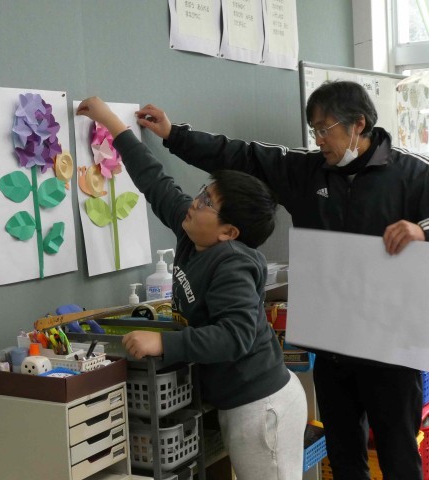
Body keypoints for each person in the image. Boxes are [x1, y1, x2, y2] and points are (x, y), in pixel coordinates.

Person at [132, 80, 429, 480]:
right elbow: (242, 156)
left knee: (399, 459)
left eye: (324, 129)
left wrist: (421, 230)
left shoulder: (411, 172)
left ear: (358, 124)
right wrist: (173, 135)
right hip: (334, 346)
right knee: (344, 460)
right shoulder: (308, 170)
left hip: (389, 350)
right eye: (313, 129)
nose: (317, 139)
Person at [77, 97, 308, 480]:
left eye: (207, 203)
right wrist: (112, 123)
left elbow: (234, 336)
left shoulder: (231, 262)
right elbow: (155, 182)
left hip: (263, 407)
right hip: (241, 403)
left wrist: (164, 343)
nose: (195, 203)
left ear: (228, 232)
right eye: (202, 193)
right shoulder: (193, 234)